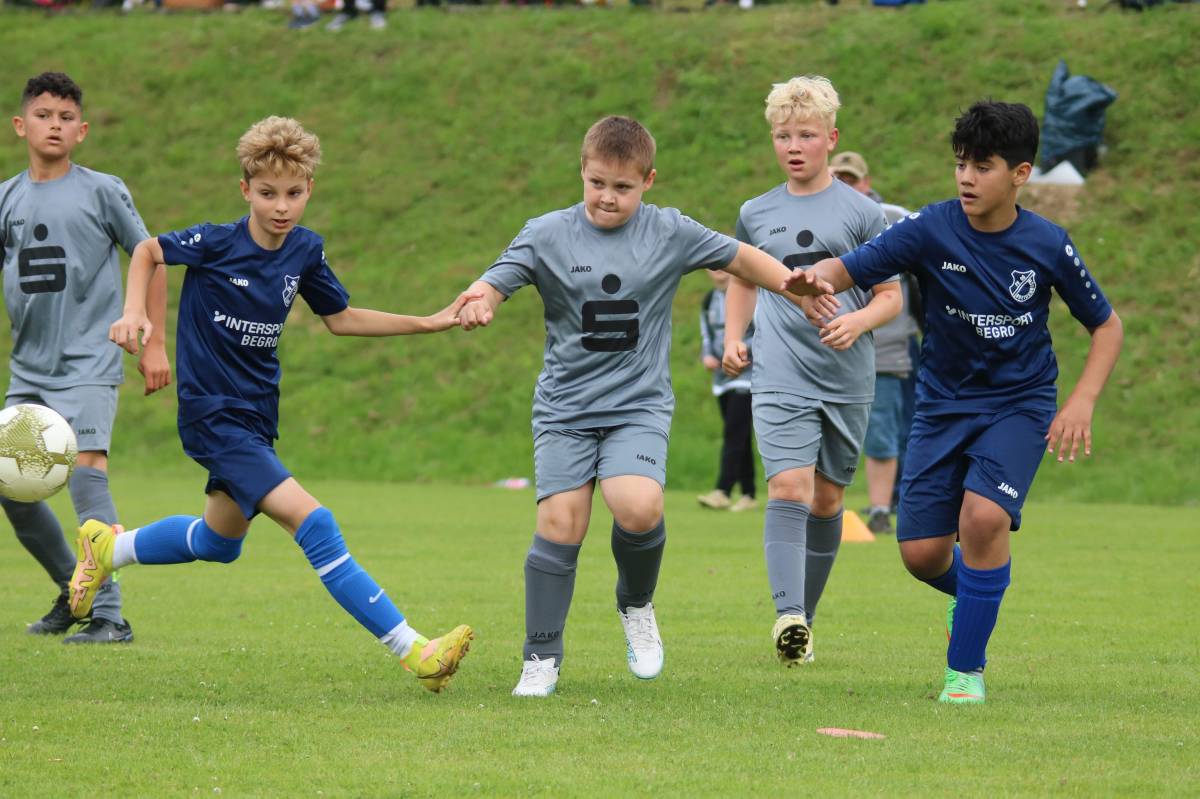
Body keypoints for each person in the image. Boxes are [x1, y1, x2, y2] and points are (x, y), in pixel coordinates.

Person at [69, 116, 475, 692]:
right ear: (245, 191)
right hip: (212, 415)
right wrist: (140, 318)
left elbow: (341, 318)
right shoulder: (215, 242)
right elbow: (146, 251)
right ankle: (415, 651)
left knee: (219, 541)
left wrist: (428, 322)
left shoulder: (305, 251)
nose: (280, 207)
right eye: (267, 194)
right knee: (317, 523)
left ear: (309, 189)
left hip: (257, 419)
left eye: (293, 193)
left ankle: (109, 546)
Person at [455, 115, 832, 698]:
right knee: (561, 523)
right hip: (564, 409)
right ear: (582, 172)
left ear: (648, 180)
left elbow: (741, 258)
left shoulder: (669, 231)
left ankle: (635, 605)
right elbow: (496, 279)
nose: (608, 197)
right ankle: (541, 657)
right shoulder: (546, 233)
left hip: (637, 405)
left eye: (623, 187)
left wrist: (792, 284)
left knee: (637, 505)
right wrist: (481, 299)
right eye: (597, 182)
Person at [785, 100, 1123, 703]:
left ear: (1020, 174)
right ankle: (975, 602)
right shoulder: (929, 228)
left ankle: (965, 672)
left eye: (983, 166)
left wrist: (1081, 402)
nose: (966, 177)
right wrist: (816, 276)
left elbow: (1107, 325)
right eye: (961, 164)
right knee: (920, 554)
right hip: (942, 405)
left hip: (1020, 404)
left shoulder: (1047, 243)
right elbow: (852, 267)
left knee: (984, 519)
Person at [723, 76, 902, 667]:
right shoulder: (755, 211)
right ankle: (787, 614)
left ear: (832, 138)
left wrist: (858, 323)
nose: (793, 145)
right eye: (782, 136)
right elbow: (743, 278)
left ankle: (804, 624)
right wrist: (733, 337)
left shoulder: (863, 213)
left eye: (805, 134)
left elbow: (891, 296)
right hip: (779, 370)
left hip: (847, 376)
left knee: (827, 500)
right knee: (789, 488)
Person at [0, 72, 171, 644]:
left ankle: (111, 617)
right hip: (29, 366)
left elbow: (152, 256)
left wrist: (155, 345)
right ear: (22, 126)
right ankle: (74, 597)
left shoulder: (103, 190)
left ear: (82, 131)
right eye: (44, 115)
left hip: (89, 361)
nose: (55, 124)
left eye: (66, 117)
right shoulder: (6, 198)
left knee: (86, 474)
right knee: (11, 487)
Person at [831, 151, 923, 534]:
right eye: (840, 178)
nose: (847, 187)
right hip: (827, 344)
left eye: (852, 180)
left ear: (866, 184)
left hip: (888, 346)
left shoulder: (895, 219)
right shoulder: (814, 219)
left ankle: (888, 506)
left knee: (895, 429)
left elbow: (922, 279)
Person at [696, 269, 757, 512]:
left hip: (746, 378)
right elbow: (706, 335)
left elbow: (759, 332)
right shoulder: (709, 300)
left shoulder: (751, 294)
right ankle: (748, 493)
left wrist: (734, 354)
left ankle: (722, 490)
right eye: (713, 266)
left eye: (723, 265)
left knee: (734, 433)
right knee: (739, 435)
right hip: (722, 380)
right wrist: (708, 355)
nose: (718, 270)